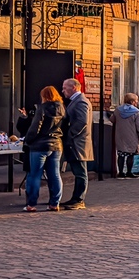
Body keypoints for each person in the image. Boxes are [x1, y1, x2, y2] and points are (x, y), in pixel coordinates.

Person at [21, 86, 64, 212]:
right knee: (55, 175)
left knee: (34, 175)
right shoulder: (62, 108)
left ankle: (31, 204)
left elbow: (35, 127)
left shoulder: (42, 108)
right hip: (56, 144)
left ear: (44, 96)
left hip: (39, 146)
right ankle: (54, 203)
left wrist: (27, 140)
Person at [60, 77, 92, 209]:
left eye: (65, 88)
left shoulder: (80, 102)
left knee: (80, 172)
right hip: (76, 142)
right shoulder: (75, 101)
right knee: (78, 171)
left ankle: (79, 200)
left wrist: (70, 135)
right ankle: (75, 198)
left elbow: (81, 122)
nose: (63, 91)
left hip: (78, 143)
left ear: (73, 87)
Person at [114, 92, 139, 178]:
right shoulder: (136, 112)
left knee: (121, 154)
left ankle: (120, 172)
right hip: (132, 136)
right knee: (130, 155)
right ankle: (129, 172)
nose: (136, 103)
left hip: (120, 135)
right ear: (132, 102)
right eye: (136, 101)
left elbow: (112, 119)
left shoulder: (118, 110)